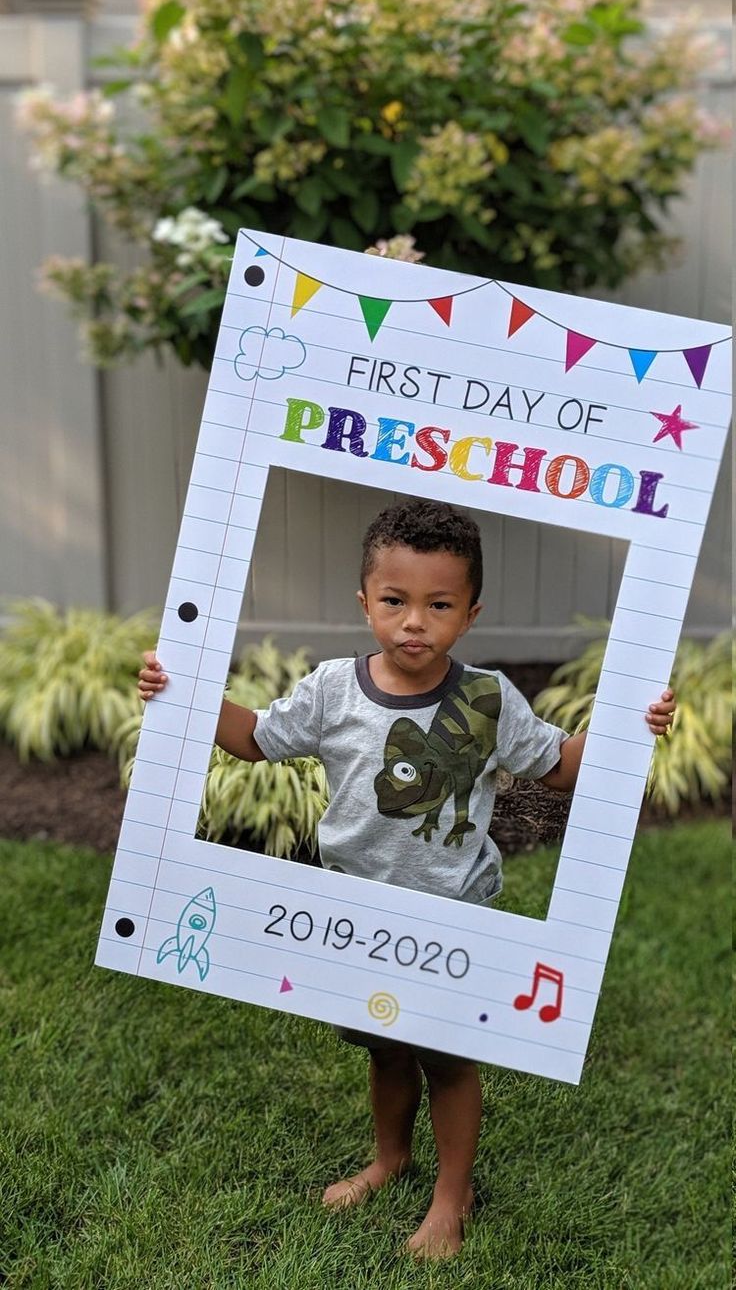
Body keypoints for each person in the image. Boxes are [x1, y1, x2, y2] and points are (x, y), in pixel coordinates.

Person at [138, 499, 676, 1260]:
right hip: (353, 915)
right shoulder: (331, 690)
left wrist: (631, 725)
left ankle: (450, 1199)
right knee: (384, 1047)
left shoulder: (487, 701)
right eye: (395, 601)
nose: (414, 622)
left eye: (439, 605)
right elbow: (256, 740)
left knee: (448, 1059)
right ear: (365, 603)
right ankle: (391, 1158)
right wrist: (180, 696)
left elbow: (558, 770)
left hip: (454, 917)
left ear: (470, 613)